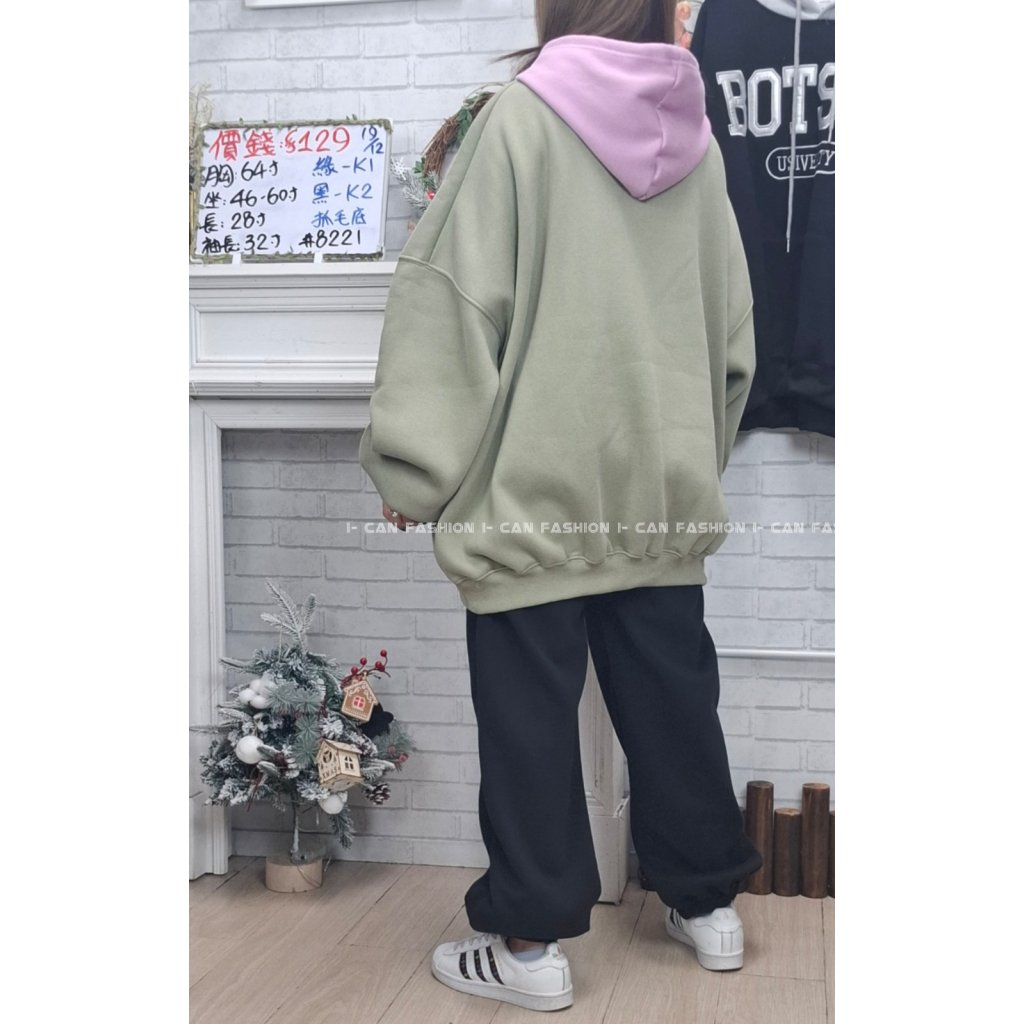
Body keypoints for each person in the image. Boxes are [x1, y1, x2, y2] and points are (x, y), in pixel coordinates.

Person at [359, 0, 762, 1012]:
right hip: (657, 498)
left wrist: (415, 469)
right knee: (674, 707)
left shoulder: (520, 122)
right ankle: (709, 906)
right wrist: (688, 466)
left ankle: (529, 946)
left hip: (532, 501)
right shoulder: (698, 141)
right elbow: (732, 339)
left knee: (530, 725)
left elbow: (452, 307)